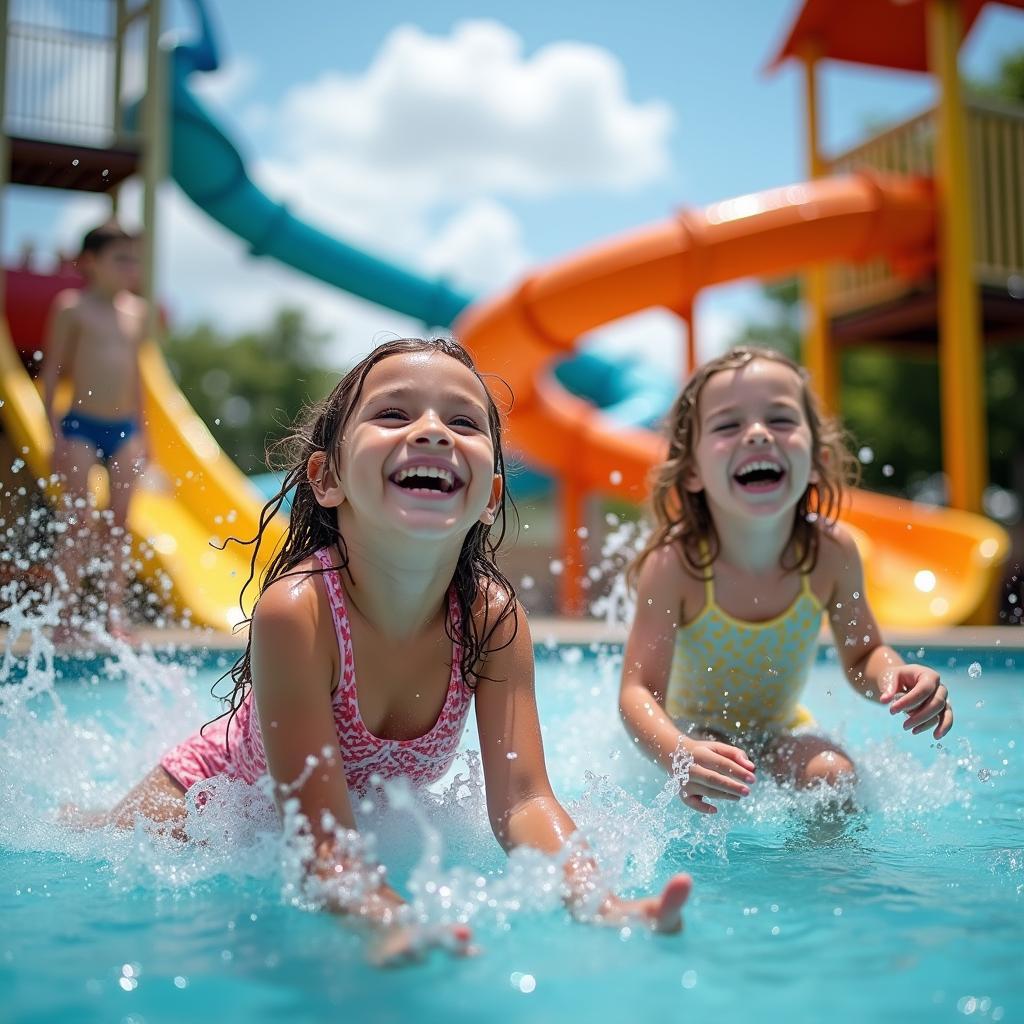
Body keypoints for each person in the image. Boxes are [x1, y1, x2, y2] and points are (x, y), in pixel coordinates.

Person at [68, 338, 691, 964]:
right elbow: (318, 838)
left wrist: (595, 899)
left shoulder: (491, 620)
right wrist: (386, 917)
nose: (433, 433)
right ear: (328, 477)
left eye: (464, 422)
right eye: (393, 414)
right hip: (200, 811)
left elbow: (525, 800)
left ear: (491, 497)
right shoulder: (299, 613)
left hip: (332, 823)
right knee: (86, 848)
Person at [619, 346, 953, 815]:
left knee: (836, 779)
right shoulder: (677, 565)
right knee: (716, 776)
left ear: (815, 459)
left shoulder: (831, 553)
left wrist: (893, 674)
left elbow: (863, 655)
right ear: (692, 470)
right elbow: (638, 692)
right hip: (694, 730)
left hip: (781, 728)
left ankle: (823, 884)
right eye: (728, 425)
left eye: (780, 420)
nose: (757, 434)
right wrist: (678, 752)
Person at [41, 222, 148, 642]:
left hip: (125, 428)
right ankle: (64, 615)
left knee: (120, 522)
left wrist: (146, 439)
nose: (130, 268)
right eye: (120, 259)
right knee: (77, 519)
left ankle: (112, 614)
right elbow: (51, 371)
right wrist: (54, 434)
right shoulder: (72, 307)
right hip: (81, 426)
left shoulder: (136, 312)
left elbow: (139, 379)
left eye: (134, 260)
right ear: (90, 262)